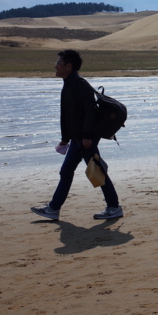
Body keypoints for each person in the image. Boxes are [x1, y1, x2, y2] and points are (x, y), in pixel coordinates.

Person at [31, 49, 123, 220]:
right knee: (68, 172)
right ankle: (54, 209)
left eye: (58, 63)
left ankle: (114, 207)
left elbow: (91, 111)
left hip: (85, 139)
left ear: (69, 66)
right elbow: (67, 115)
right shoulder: (68, 83)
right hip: (77, 138)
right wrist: (65, 138)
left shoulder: (80, 84)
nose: (55, 66)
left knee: (96, 172)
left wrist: (87, 136)